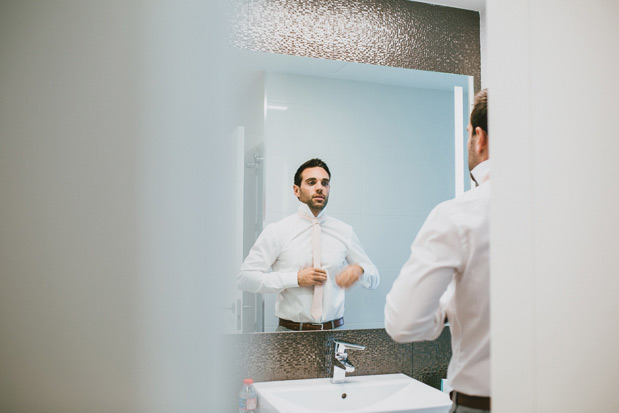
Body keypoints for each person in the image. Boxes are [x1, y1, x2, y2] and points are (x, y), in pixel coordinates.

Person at [384, 89, 491, 412]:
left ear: (479, 136)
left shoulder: (459, 214)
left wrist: (448, 304)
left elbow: (404, 323)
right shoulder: (576, 209)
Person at [238, 158, 379, 331]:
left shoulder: (345, 231)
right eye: (311, 182)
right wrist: (295, 279)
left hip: (334, 334)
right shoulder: (277, 231)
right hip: (289, 336)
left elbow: (374, 278)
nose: (320, 187)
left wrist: (360, 271)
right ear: (296, 190)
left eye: (325, 183)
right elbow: (245, 278)